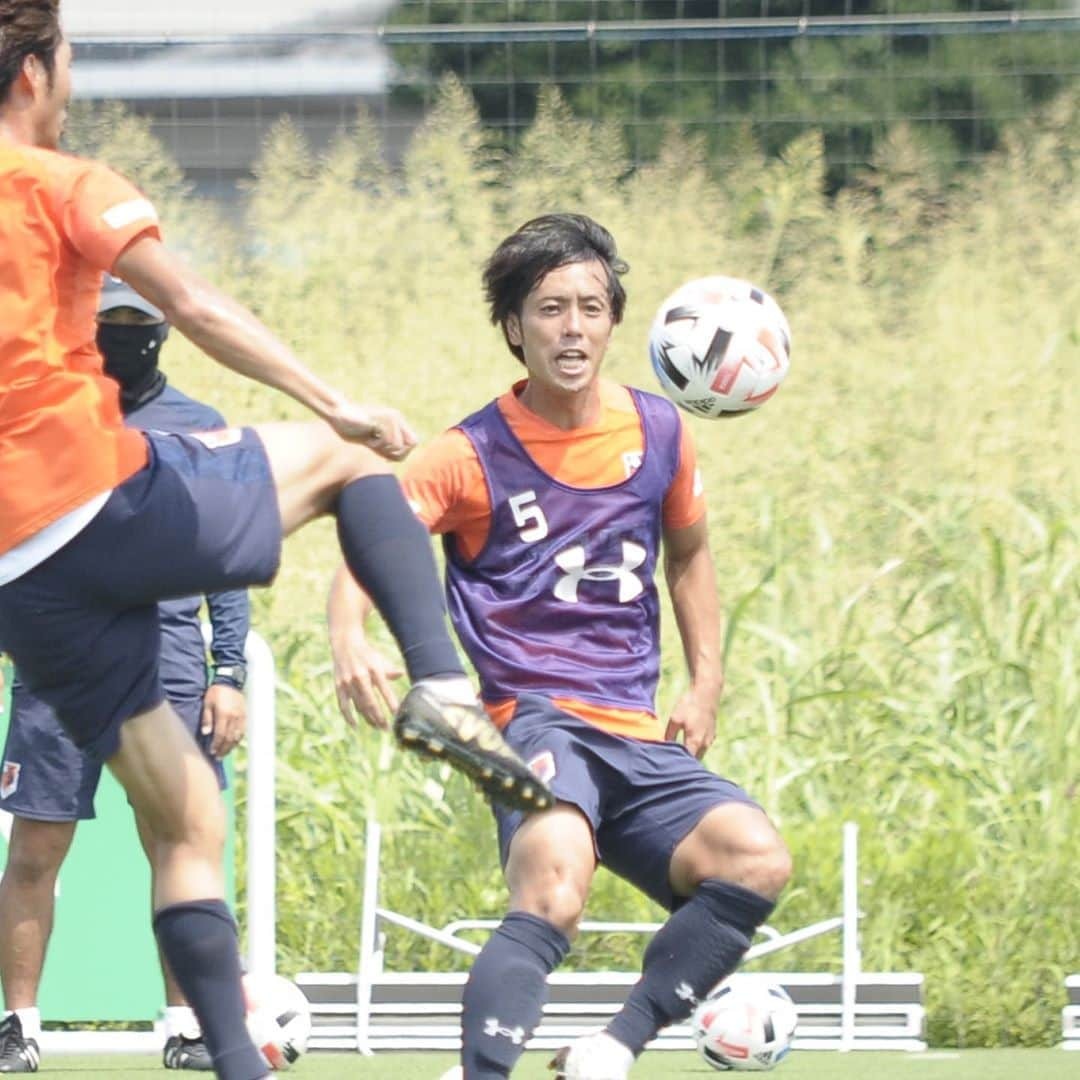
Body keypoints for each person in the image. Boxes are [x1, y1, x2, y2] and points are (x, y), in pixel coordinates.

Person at [0, 5, 552, 1079]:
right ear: (31, 74)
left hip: (18, 579)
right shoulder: (61, 181)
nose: (71, 87)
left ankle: (233, 1064)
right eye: (68, 64)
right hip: (86, 501)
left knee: (190, 818)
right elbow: (195, 304)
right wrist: (332, 400)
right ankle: (441, 686)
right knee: (349, 468)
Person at [327, 214, 793, 1080]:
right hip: (531, 721)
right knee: (554, 888)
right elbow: (371, 532)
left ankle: (610, 1048)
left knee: (755, 856)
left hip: (635, 730)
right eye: (548, 309)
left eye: (589, 307)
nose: (571, 328)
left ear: (616, 321)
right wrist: (349, 633)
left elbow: (688, 556)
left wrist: (705, 684)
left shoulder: (662, 432)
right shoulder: (470, 453)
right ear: (514, 327)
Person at [0, 276, 253, 1073]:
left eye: (138, 324)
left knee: (180, 846)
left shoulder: (201, 429)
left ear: (163, 332)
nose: (122, 337)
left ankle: (184, 1027)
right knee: (35, 850)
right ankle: (19, 1026)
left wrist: (231, 670)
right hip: (57, 669)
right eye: (106, 322)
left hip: (168, 667)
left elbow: (228, 563)